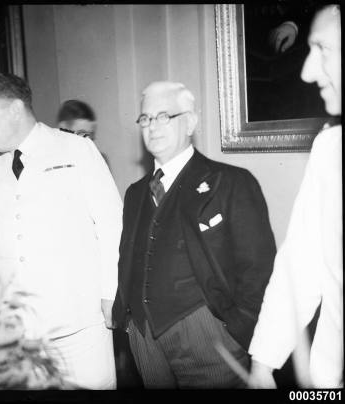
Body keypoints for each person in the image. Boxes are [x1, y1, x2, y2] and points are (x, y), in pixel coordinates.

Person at [112, 81, 276, 388]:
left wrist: (238, 331)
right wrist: (128, 319)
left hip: (208, 337)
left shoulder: (230, 182)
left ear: (190, 122)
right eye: (146, 118)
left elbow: (259, 271)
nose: (152, 126)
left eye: (164, 116)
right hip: (145, 337)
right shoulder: (135, 193)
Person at [0, 73, 122, 389]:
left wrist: (111, 294)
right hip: (20, 333)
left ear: (15, 109)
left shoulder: (76, 150)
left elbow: (111, 224)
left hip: (79, 325)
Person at [248, 5, 342, 389]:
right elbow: (301, 263)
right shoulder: (328, 150)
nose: (306, 71)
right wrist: (263, 363)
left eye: (323, 49)